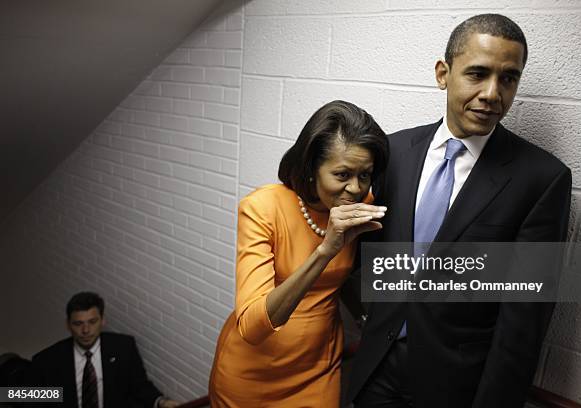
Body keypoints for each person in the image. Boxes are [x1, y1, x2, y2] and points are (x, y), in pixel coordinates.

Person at [346, 14, 572, 408]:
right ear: (442, 74)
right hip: (374, 369)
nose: (491, 93)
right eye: (478, 74)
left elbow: (523, 323)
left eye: (508, 78)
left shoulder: (542, 179)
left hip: (456, 386)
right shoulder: (394, 152)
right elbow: (358, 250)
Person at [208, 100, 389, 407]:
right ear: (310, 169)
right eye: (342, 175)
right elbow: (252, 326)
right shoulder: (263, 208)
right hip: (252, 372)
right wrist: (325, 251)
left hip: (318, 369)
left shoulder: (362, 205)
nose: (355, 189)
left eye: (365, 175)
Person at [29, 292, 180, 408]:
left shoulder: (123, 348)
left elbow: (138, 386)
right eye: (78, 323)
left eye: (92, 322)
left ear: (103, 320)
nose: (86, 330)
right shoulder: (48, 360)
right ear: (68, 325)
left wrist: (161, 402)